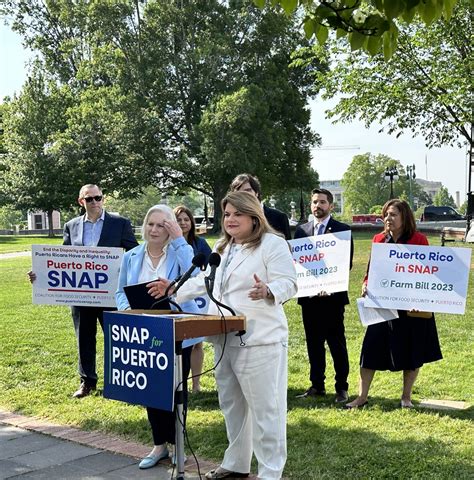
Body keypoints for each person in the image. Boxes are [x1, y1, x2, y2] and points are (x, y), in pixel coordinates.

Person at [149, 192, 297, 479]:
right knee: (232, 405)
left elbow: (289, 283)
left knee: (267, 412)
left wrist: (269, 290)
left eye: (237, 214)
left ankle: (270, 472)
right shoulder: (223, 247)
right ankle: (237, 462)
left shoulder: (272, 244)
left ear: (254, 217)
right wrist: (174, 289)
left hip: (260, 341)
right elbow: (208, 282)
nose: (230, 220)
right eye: (226, 214)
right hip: (223, 338)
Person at [27, 184, 138, 398]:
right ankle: (87, 382)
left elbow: (134, 253)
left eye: (98, 198)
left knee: (117, 339)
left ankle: (124, 381)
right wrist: (39, 272)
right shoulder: (71, 226)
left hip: (110, 294)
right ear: (81, 202)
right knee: (84, 339)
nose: (95, 202)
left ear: (103, 199)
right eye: (90, 199)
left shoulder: (120, 223)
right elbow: (62, 260)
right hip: (81, 294)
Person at [116, 204, 201, 469]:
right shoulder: (131, 256)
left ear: (171, 228)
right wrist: (127, 308)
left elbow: (196, 276)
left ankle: (178, 444)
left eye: (162, 225)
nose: (155, 229)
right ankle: (159, 445)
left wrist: (178, 239)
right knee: (152, 390)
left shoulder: (180, 253)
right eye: (150, 224)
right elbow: (120, 292)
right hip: (143, 332)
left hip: (176, 332)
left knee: (176, 389)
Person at [345, 199, 443, 409]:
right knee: (370, 349)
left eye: (393, 214)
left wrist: (420, 299)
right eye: (386, 215)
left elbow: (426, 275)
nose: (388, 219)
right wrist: (365, 284)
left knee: (412, 352)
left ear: (404, 217)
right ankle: (362, 397)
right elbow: (371, 271)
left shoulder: (419, 240)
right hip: (383, 305)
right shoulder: (379, 239)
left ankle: (406, 397)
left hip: (411, 307)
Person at [294, 188, 353, 404]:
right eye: (314, 202)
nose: (317, 206)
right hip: (309, 299)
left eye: (322, 202)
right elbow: (298, 263)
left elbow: (345, 263)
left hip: (332, 299)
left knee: (337, 344)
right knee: (313, 344)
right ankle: (317, 385)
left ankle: (342, 388)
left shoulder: (341, 230)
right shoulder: (301, 231)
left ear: (331, 205)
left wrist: (329, 285)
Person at [174, 205, 212, 393]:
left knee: (198, 341)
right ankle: (178, 382)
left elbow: (210, 267)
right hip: (177, 299)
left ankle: (196, 385)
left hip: (198, 299)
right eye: (179, 220)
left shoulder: (201, 243)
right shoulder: (170, 244)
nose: (183, 223)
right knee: (182, 342)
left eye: (186, 219)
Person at [230, 173, 292, 240]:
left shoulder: (279, 217)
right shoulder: (231, 219)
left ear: (256, 192)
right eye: (238, 193)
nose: (244, 195)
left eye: (248, 190)